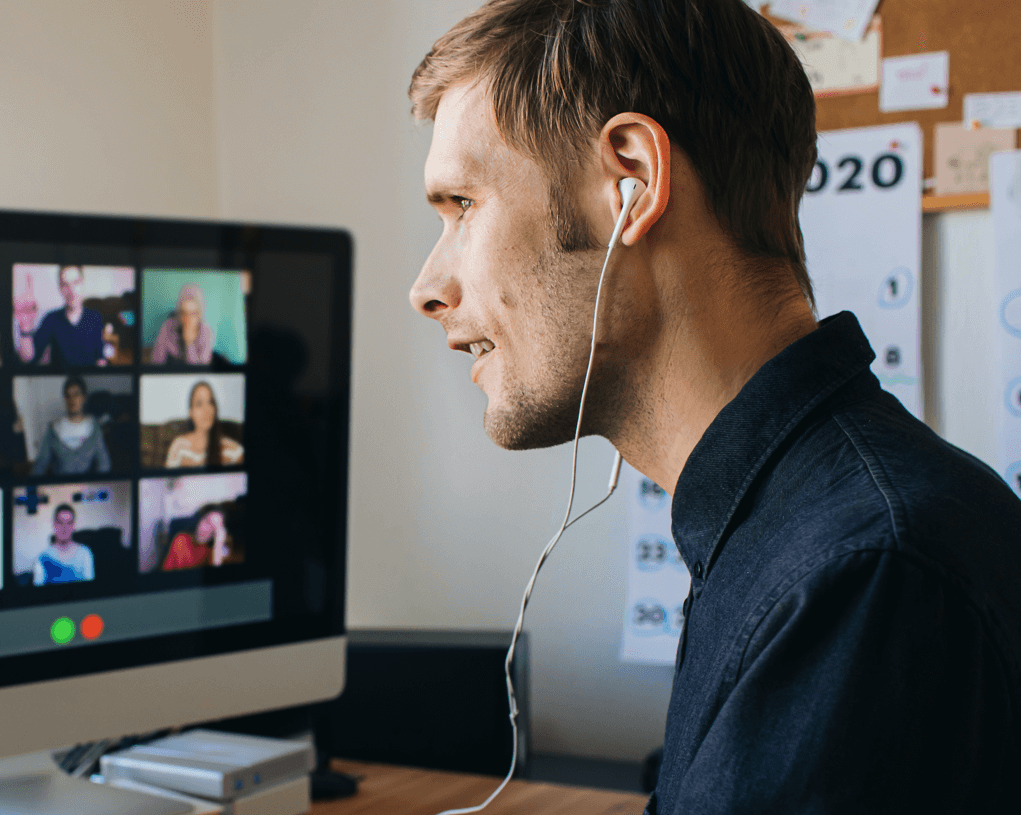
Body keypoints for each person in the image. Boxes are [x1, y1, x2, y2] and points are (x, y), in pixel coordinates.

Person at [407, 2, 1021, 812]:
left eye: (462, 206)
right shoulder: (791, 525)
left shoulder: (862, 578)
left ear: (633, 181)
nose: (427, 288)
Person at [25, 266, 105, 366]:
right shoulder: (51, 319)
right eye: (65, 285)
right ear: (60, 288)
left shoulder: (95, 317)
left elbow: (100, 357)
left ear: (83, 284)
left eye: (76, 283)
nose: (71, 290)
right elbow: (31, 358)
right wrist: (25, 328)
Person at [32, 375, 111, 475]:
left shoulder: (94, 428)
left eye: (76, 394)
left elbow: (104, 463)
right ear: (64, 399)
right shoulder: (52, 430)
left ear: (84, 398)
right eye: (68, 396)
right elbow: (41, 464)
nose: (72, 399)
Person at [165, 381, 243, 468]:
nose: (207, 409)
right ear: (191, 412)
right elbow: (167, 480)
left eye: (210, 402)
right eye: (199, 404)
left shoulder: (232, 449)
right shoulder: (179, 446)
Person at [150, 283, 215, 364]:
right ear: (179, 312)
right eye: (184, 313)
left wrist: (189, 344)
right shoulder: (168, 326)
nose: (188, 319)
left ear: (199, 314)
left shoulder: (206, 332)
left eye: (193, 313)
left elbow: (200, 371)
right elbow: (156, 360)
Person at [33, 503, 95, 584]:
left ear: (73, 526)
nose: (64, 528)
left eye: (69, 523)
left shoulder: (85, 553)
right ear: (54, 524)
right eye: (60, 522)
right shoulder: (41, 558)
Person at [161, 505, 231, 570]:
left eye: (215, 528)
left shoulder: (213, 550)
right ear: (199, 520)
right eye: (207, 522)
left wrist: (218, 545)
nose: (207, 530)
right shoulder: (181, 540)